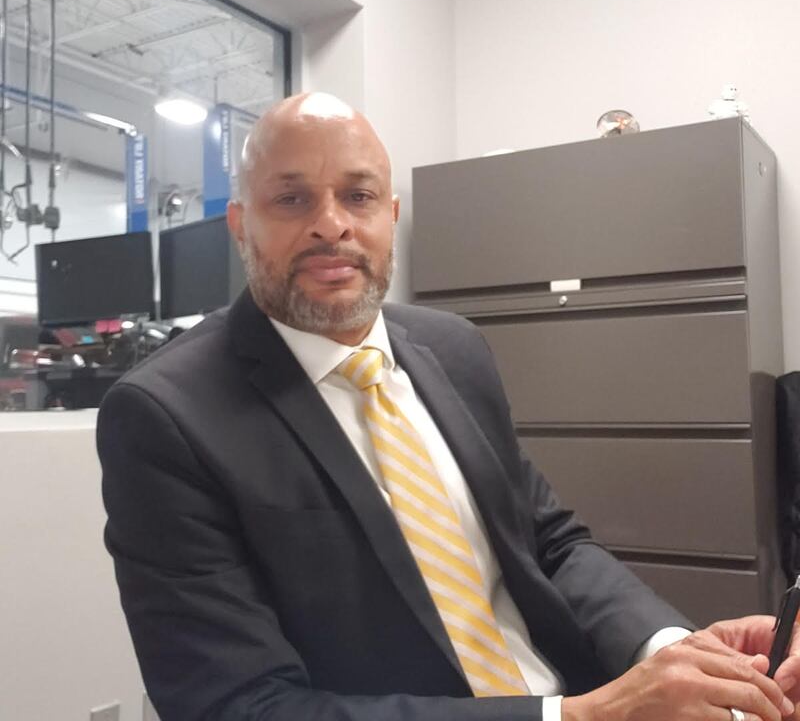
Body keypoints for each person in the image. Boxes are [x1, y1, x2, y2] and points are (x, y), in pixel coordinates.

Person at [97, 92, 800, 721]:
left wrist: (674, 650)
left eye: (358, 195)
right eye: (292, 199)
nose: (331, 225)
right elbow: (239, 706)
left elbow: (550, 543)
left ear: (391, 215)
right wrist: (581, 717)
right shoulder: (166, 417)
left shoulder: (452, 348)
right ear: (240, 224)